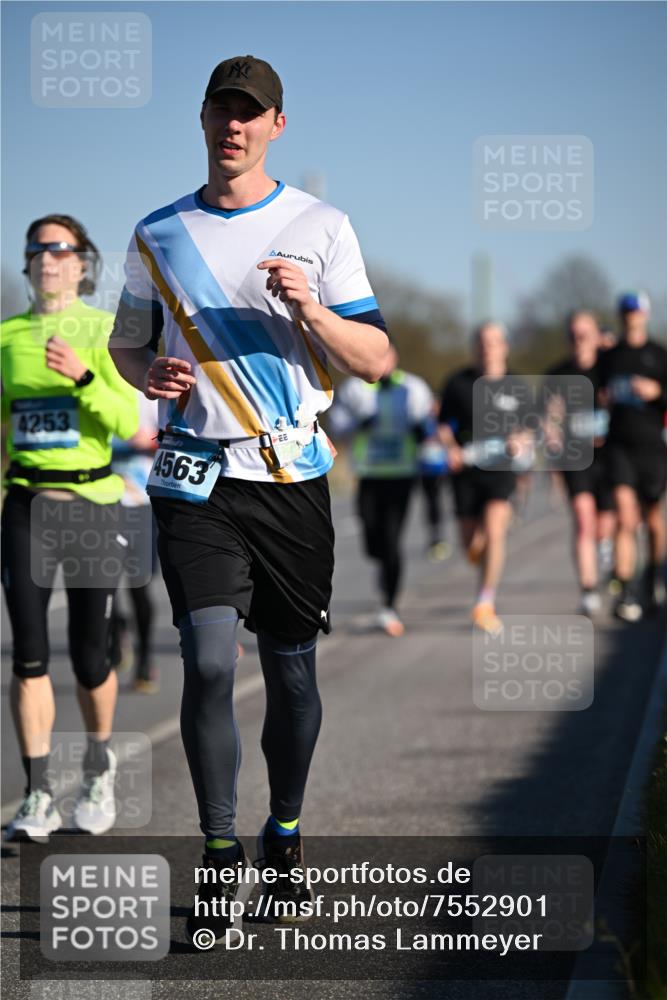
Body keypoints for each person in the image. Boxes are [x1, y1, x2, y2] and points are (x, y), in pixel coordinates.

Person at [108, 55, 389, 941]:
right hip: (195, 478)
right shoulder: (158, 232)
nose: (233, 125)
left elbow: (374, 359)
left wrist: (311, 311)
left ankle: (286, 832)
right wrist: (144, 372)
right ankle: (221, 853)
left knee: (291, 672)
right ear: (201, 119)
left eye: (250, 112)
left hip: (289, 479)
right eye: (221, 110)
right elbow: (125, 345)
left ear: (276, 125)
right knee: (209, 662)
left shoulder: (320, 225)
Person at [1, 214, 139, 841]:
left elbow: (130, 422)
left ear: (83, 263)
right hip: (26, 505)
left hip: (91, 505)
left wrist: (82, 378)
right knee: (29, 655)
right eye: (38, 249)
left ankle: (97, 769)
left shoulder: (105, 331)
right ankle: (37, 795)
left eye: (61, 249)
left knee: (89, 656)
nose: (48, 258)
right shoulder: (7, 337)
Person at [327, 346, 433, 636]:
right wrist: (359, 424)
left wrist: (422, 429)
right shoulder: (355, 389)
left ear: (395, 357)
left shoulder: (414, 387)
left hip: (402, 474)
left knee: (392, 540)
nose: (383, 362)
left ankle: (390, 605)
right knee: (373, 542)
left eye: (388, 356)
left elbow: (428, 426)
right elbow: (336, 426)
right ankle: (385, 572)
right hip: (369, 474)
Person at [438, 321, 532, 635]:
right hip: (466, 472)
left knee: (494, 531)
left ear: (504, 347)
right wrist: (450, 448)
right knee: (472, 546)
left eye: (493, 342)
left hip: (501, 471)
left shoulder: (517, 385)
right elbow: (443, 425)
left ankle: (485, 602)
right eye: (481, 342)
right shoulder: (458, 383)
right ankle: (485, 572)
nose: (487, 348)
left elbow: (530, 426)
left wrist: (520, 439)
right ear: (474, 347)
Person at [597, 291, 667, 621]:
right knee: (625, 517)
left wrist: (657, 392)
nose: (631, 317)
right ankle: (625, 591)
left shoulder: (658, 355)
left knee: (652, 519)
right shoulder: (610, 357)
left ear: (645, 315)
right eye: (626, 312)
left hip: (652, 447)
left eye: (636, 312)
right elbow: (594, 394)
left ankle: (652, 579)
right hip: (619, 446)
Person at [542, 311, 615, 615]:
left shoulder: (610, 368)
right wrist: (552, 427)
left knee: (605, 523)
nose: (579, 340)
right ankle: (588, 589)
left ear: (597, 335)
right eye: (573, 335)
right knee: (583, 520)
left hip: (611, 458)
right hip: (576, 457)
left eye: (585, 333)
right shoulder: (558, 374)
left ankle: (607, 550)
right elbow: (546, 417)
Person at [108, 391, 161, 693]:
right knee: (104, 583)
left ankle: (145, 658)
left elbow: (169, 437)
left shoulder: (148, 392)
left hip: (141, 501)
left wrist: (148, 441)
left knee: (139, 587)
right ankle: (117, 630)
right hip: (102, 502)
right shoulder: (98, 386)